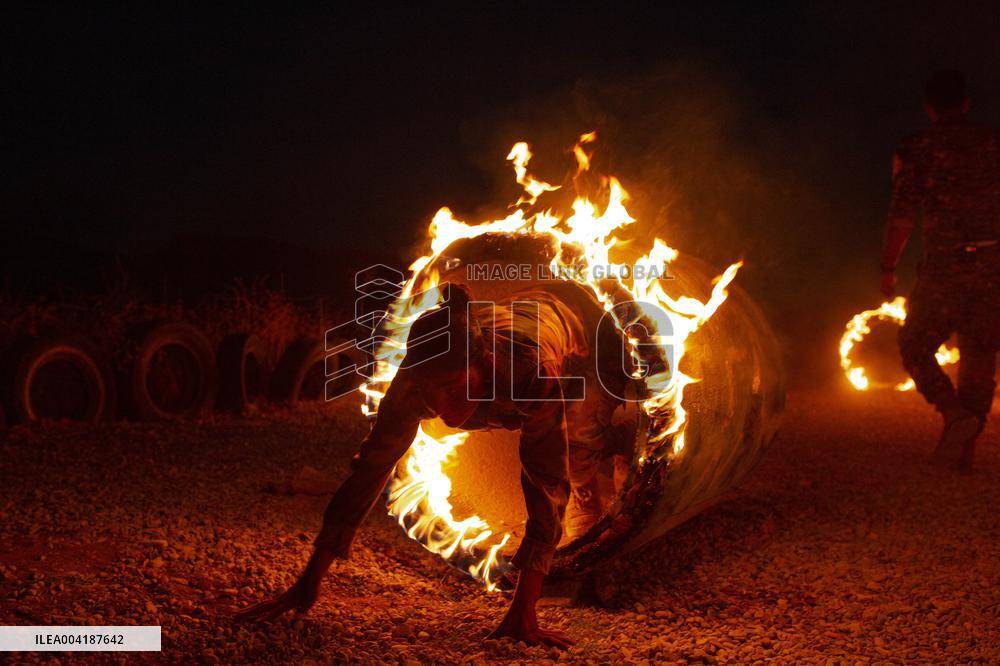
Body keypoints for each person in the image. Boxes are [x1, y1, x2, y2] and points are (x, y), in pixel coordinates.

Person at [238, 281, 632, 647]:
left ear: (485, 367)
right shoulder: (416, 383)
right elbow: (370, 469)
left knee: (579, 451)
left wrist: (524, 609)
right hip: (510, 320)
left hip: (581, 328)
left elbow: (546, 480)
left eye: (450, 389)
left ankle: (612, 466)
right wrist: (309, 579)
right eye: (430, 391)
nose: (440, 406)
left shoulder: (529, 373)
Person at [880, 70, 1000, 473]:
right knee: (979, 356)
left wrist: (888, 267)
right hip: (992, 264)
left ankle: (953, 414)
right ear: (966, 102)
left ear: (930, 108)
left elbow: (901, 217)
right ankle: (963, 447)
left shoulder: (918, 149)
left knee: (914, 344)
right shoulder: (994, 144)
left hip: (945, 267)